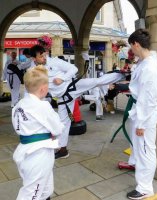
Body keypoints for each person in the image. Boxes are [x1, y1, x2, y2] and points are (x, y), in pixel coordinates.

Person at [29, 45, 124, 159]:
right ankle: (63, 150)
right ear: (34, 58)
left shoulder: (55, 62)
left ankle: (122, 74)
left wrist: (62, 79)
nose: (44, 57)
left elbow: (73, 69)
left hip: (73, 86)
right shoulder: (34, 71)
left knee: (96, 81)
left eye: (44, 54)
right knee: (63, 123)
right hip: (63, 99)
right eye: (40, 56)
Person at [12, 65, 64, 200]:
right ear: (43, 89)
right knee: (31, 193)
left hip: (24, 150)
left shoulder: (18, 105)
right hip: (38, 154)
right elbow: (57, 128)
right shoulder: (42, 106)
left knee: (45, 188)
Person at [126, 29, 157, 199]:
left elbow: (147, 100)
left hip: (145, 115)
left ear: (136, 44)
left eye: (131, 47)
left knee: (145, 150)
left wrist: (141, 124)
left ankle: (145, 188)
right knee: (141, 149)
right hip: (141, 111)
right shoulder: (145, 62)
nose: (131, 50)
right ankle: (142, 182)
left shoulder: (150, 68)